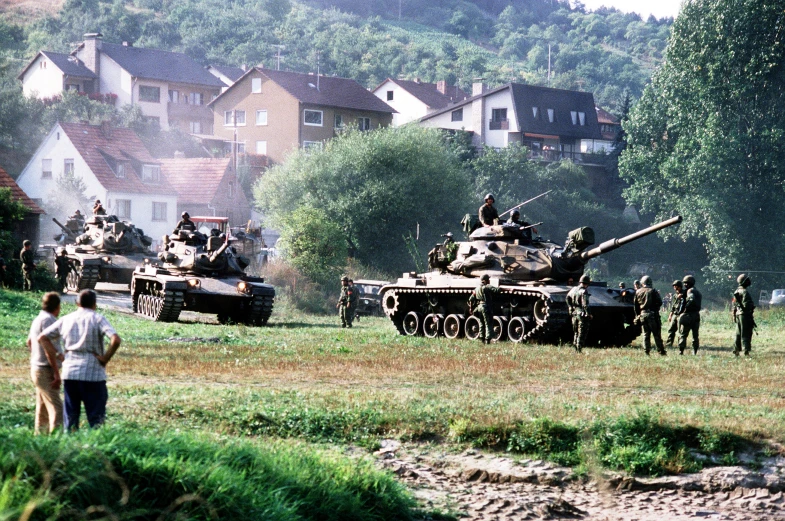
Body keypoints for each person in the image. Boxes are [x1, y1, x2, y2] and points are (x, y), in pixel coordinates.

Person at [38, 289, 122, 430]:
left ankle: (71, 445)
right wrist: (105, 358)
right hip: (93, 373)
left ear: (77, 303)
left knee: (71, 416)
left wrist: (59, 354)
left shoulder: (66, 318)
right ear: (94, 304)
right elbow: (115, 339)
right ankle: (96, 445)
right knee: (96, 417)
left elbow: (42, 338)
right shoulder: (98, 318)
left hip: (70, 372)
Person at [27, 292, 64, 434]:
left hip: (36, 368)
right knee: (57, 409)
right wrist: (56, 373)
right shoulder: (49, 320)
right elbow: (48, 348)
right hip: (45, 369)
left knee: (42, 409)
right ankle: (56, 442)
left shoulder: (38, 318)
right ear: (58, 306)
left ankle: (40, 440)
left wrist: (36, 356)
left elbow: (29, 342)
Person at [634, 275, 666, 355]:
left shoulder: (638, 291)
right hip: (652, 315)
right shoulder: (653, 291)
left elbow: (636, 306)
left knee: (645, 334)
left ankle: (646, 351)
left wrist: (638, 316)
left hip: (642, 315)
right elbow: (660, 302)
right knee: (656, 334)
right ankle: (661, 351)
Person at [468, 274, 500, 344]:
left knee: (481, 323)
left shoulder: (476, 288)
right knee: (488, 323)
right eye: (488, 279)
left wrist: (470, 308)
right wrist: (503, 288)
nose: (489, 281)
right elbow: (497, 290)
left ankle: (482, 338)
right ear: (485, 280)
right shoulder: (486, 287)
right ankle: (488, 340)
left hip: (479, 307)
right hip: (485, 307)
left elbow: (470, 299)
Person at [566, 274, 592, 352]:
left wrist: (570, 307)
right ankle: (579, 349)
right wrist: (589, 314)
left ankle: (575, 347)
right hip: (582, 314)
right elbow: (585, 304)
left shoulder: (573, 289)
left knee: (576, 331)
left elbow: (567, 297)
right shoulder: (584, 291)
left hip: (574, 313)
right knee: (582, 332)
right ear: (587, 283)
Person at [677, 275, 702, 355]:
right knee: (695, 335)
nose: (684, 285)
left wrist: (685, 309)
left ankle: (681, 351)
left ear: (689, 283)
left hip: (688, 315)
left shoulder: (689, 291)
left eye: (686, 283)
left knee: (683, 334)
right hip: (696, 315)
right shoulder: (698, 292)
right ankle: (695, 351)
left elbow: (691, 299)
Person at [732, 273, 755, 356]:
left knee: (738, 333)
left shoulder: (737, 291)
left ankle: (736, 350)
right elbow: (746, 305)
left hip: (738, 314)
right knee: (746, 332)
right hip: (744, 315)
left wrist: (734, 315)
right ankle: (746, 351)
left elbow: (734, 304)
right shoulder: (744, 292)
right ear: (744, 282)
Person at [665, 280, 685, 350]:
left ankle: (681, 345)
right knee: (671, 329)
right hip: (675, 314)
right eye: (674, 286)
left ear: (679, 286)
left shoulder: (685, 293)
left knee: (680, 331)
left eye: (676, 286)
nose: (674, 287)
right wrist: (670, 315)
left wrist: (683, 296)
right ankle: (669, 344)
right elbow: (673, 306)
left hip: (681, 314)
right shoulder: (675, 295)